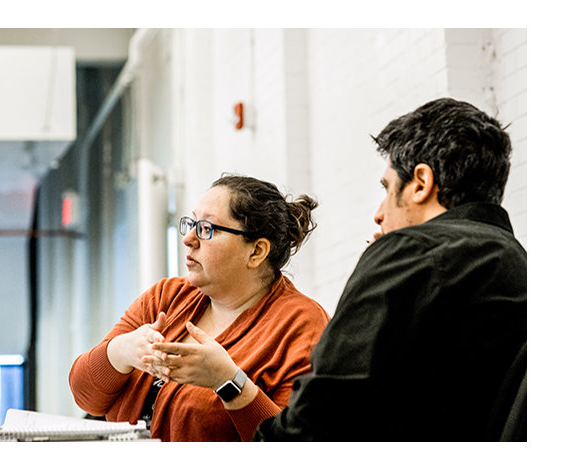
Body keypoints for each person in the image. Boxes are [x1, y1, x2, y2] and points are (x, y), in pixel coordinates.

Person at [252, 97, 527, 441]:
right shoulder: (519, 264)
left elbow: (318, 422)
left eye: (387, 188)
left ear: (421, 183)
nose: (379, 213)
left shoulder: (413, 252)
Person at [68, 175, 330, 441]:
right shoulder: (167, 297)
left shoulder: (301, 326)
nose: (189, 239)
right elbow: (85, 396)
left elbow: (295, 448)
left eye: (206, 228)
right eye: (191, 224)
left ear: (256, 252)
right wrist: (122, 351)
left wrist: (229, 382)